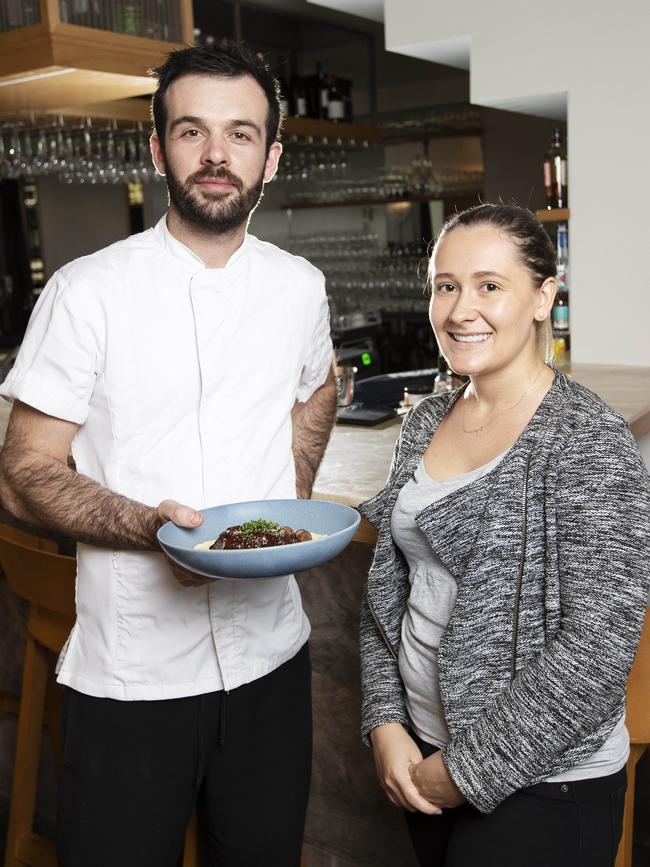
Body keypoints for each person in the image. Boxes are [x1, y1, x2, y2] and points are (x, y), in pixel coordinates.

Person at [0, 40, 337, 867]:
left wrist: (283, 503)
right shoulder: (87, 291)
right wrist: (153, 527)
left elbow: (319, 390)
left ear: (272, 155)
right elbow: (22, 474)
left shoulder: (300, 285)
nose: (217, 155)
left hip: (271, 660)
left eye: (242, 134)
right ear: (158, 149)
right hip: (134, 674)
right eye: (192, 132)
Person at [358, 203, 650, 867]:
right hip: (423, 758)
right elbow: (388, 591)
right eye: (446, 285)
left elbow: (598, 653)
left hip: (547, 785)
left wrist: (461, 772)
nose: (462, 310)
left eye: (490, 285)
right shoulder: (425, 420)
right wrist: (384, 720)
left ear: (544, 295)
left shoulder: (588, 441)